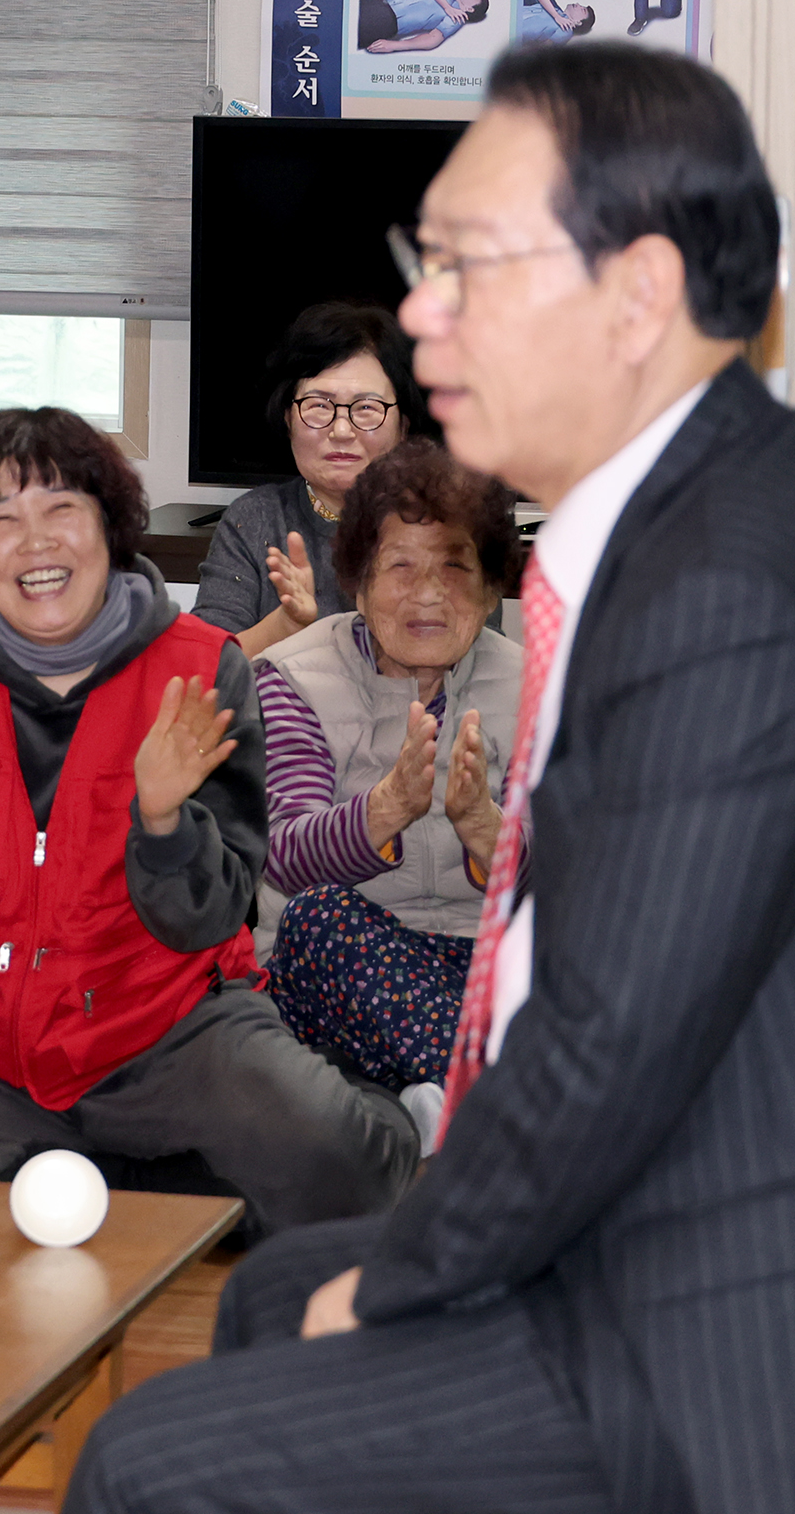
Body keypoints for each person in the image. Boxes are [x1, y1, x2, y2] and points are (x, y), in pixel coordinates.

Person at [65, 44, 795, 1512]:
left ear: (638, 295)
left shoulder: (734, 593)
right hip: (721, 1191)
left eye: (464, 262)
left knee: (150, 1460)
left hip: (775, 1336)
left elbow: (603, 1046)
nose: (415, 312)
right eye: (422, 256)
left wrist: (413, 1281)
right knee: (274, 1301)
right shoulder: (703, 518)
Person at [0, 409, 419, 1236]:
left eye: (63, 510)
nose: (36, 544)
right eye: (2, 520)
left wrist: (164, 819)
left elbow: (213, 915)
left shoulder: (202, 669)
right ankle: (131, 1195)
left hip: (169, 1040)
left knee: (336, 1163)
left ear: (109, 528)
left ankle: (66, 1193)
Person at [254, 440, 523, 1105]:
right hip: (351, 962)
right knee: (316, 921)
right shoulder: (293, 677)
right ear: (359, 579)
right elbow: (284, 856)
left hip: (487, 964)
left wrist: (488, 831)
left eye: (454, 567)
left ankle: (444, 1091)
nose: (427, 594)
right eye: (400, 565)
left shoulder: (537, 688)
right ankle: (490, 1093)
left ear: (492, 590)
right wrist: (386, 810)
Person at [196, 302, 428, 659]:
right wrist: (284, 625)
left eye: (366, 407)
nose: (341, 430)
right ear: (288, 417)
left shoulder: (444, 524)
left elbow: (477, 669)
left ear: (404, 424)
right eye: (319, 405)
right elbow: (204, 665)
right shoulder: (255, 520)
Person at [357, 0, 488, 54]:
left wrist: (395, 45)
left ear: (470, 9)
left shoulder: (457, 16)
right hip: (376, 4)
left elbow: (433, 38)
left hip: (382, 19)